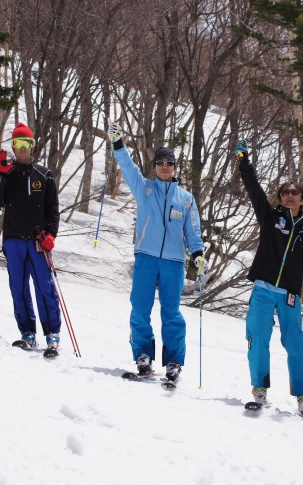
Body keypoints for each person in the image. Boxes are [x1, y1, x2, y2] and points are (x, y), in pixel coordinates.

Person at [236, 140, 303, 415]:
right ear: (281, 198)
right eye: (285, 192)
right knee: (257, 337)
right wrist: (243, 161)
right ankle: (259, 390)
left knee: (295, 342)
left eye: (295, 192)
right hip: (263, 288)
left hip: (290, 295)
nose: (290, 195)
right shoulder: (270, 218)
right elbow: (253, 188)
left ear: (302, 199)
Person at [107, 122, 205, 383]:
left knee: (171, 312)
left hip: (173, 262)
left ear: (174, 167)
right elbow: (128, 168)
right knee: (140, 308)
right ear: (155, 166)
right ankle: (143, 355)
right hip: (146, 258)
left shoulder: (185, 198)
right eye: (160, 162)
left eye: (169, 162)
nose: (164, 166)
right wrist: (118, 144)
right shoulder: (145, 188)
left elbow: (193, 228)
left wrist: (197, 252)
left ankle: (173, 361)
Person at [0, 122, 62, 356]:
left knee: (45, 288)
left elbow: (53, 209)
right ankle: (27, 333)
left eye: (26, 144)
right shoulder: (6, 173)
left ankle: (52, 335)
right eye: (18, 144)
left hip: (38, 241)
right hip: (13, 239)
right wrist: (0, 174)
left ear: (32, 147)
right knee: (18, 288)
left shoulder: (44, 174)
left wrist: (51, 234)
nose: (22, 148)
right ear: (13, 146)